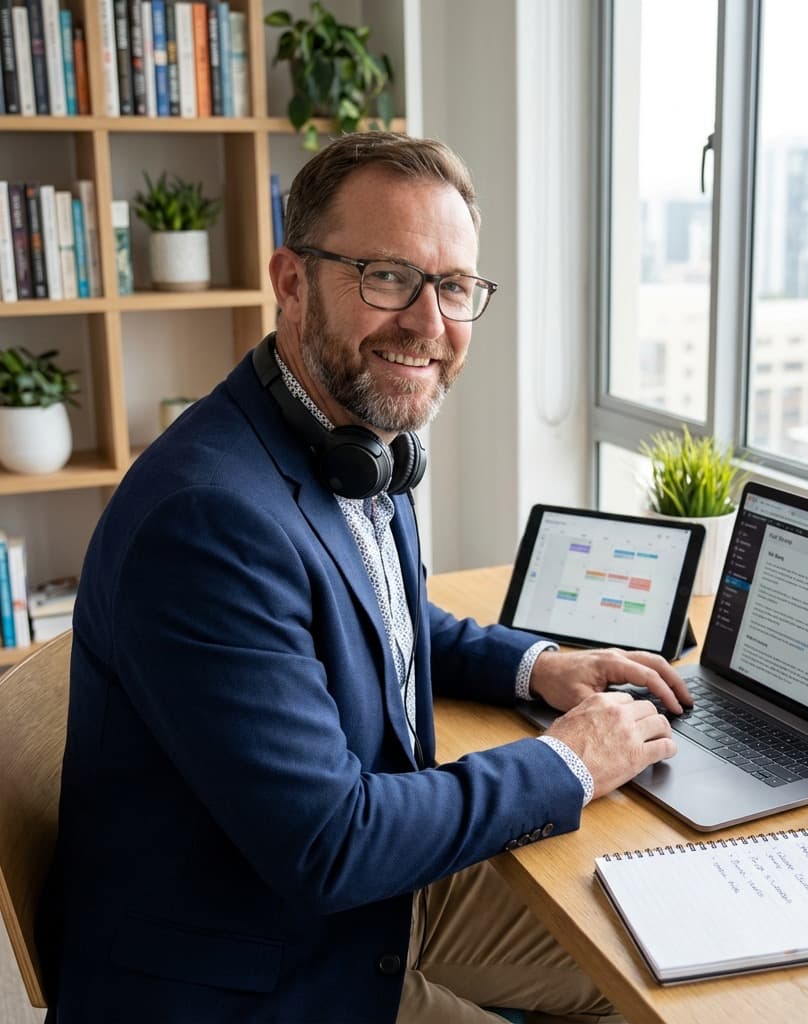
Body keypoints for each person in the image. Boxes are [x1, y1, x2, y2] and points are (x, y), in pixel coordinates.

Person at [38, 132, 691, 1023]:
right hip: (257, 970)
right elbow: (332, 845)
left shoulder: (353, 445)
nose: (428, 324)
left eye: (454, 287)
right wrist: (568, 760)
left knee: (665, 967)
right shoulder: (207, 520)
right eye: (387, 276)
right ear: (294, 281)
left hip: (351, 904)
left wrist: (534, 665)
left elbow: (381, 615)